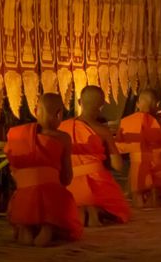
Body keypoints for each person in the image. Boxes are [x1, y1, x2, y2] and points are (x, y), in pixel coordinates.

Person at [5, 93, 83, 246]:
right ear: (59, 113)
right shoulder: (63, 138)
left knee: (23, 200)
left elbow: (13, 169)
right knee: (61, 198)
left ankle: (26, 227)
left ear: (35, 110)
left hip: (24, 197)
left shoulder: (17, 135)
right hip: (51, 196)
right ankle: (48, 228)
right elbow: (67, 176)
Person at [59, 85, 130, 227]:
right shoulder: (102, 131)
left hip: (68, 185)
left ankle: (79, 209)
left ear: (79, 102)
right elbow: (118, 166)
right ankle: (93, 210)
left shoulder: (61, 128)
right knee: (120, 210)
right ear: (102, 105)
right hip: (98, 185)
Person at [116, 89, 161, 208]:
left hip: (137, 170)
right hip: (160, 167)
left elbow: (120, 148)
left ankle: (140, 194)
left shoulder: (125, 122)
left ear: (137, 104)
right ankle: (157, 192)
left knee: (136, 195)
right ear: (157, 104)